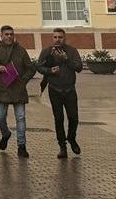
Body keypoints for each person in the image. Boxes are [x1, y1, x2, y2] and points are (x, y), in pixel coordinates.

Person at [0, 24, 35, 157]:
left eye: (11, 34)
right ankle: (5, 134)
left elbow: (30, 68)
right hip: (1, 88)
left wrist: (23, 81)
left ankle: (21, 146)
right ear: (1, 35)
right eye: (6, 34)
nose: (9, 37)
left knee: (21, 118)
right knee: (0, 117)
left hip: (18, 89)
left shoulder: (21, 50)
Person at [36, 27, 84, 158]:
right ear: (52, 38)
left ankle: (72, 138)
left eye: (60, 37)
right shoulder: (47, 51)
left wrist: (66, 59)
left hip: (69, 90)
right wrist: (50, 71)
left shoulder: (72, 51)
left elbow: (79, 67)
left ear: (65, 38)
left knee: (73, 118)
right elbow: (39, 66)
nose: (57, 40)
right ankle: (62, 146)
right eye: (55, 37)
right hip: (54, 89)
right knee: (59, 119)